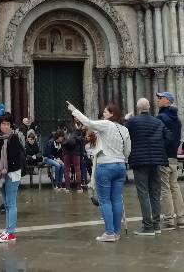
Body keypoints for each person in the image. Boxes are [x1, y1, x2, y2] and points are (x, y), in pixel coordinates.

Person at [68, 101, 130, 242]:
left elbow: (88, 122)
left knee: (104, 200)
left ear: (112, 114)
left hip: (106, 166)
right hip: (120, 166)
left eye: (106, 112)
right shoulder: (124, 129)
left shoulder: (106, 124)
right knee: (116, 199)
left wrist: (74, 110)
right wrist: (120, 159)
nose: (103, 113)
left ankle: (109, 233)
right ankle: (116, 232)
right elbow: (128, 150)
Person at [126, 98, 168, 235]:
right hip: (155, 161)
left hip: (139, 161)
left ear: (138, 109)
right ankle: (156, 225)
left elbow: (123, 135)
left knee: (143, 193)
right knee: (155, 193)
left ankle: (148, 226)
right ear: (149, 107)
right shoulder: (158, 122)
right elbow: (168, 137)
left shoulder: (132, 122)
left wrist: (126, 119)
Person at [0, 112, 24, 243]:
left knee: (11, 203)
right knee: (6, 204)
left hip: (11, 174)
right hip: (2, 175)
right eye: (3, 124)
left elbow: (14, 159)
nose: (6, 126)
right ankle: (7, 229)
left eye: (8, 124)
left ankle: (11, 233)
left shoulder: (13, 138)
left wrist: (2, 170)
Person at [156, 91, 184, 230]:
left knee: (165, 188)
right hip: (173, 156)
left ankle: (168, 220)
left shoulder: (161, 118)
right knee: (175, 186)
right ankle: (181, 218)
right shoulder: (177, 120)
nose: (158, 100)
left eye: (160, 98)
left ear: (167, 101)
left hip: (163, 156)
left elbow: (159, 137)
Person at [60, 126, 81, 192]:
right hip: (75, 154)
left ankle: (67, 187)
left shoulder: (65, 136)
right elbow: (80, 143)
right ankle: (79, 187)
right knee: (77, 169)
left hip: (66, 154)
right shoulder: (76, 136)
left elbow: (62, 145)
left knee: (66, 170)